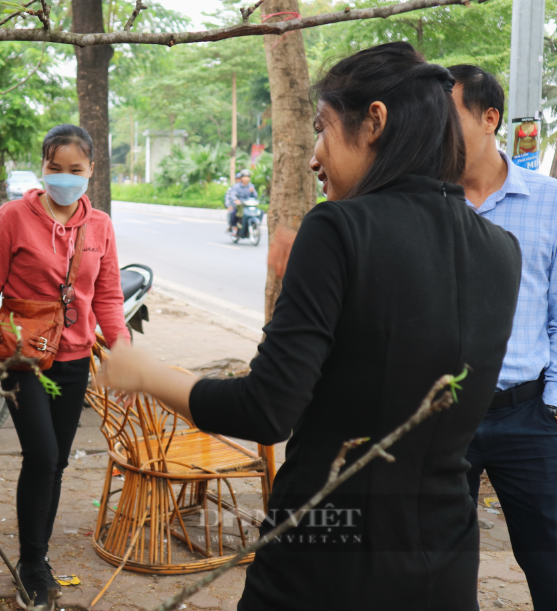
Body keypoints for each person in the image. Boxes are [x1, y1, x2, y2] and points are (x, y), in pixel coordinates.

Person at [99, 42, 521, 611]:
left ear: (375, 121)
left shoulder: (340, 228)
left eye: (322, 128)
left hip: (325, 558)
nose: (313, 155)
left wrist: (146, 373)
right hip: (443, 561)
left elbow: (266, 410)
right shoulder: (501, 249)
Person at [0, 124, 130, 610]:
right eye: (55, 169)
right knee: (41, 456)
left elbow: (107, 295)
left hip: (74, 357)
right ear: (43, 168)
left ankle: (36, 559)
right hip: (22, 357)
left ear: (91, 171)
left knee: (57, 462)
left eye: (75, 170)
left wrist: (121, 349)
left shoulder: (99, 225)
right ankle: (32, 564)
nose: (65, 178)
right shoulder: (13, 217)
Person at [447, 64, 557, 610]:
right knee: (439, 564)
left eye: (448, 119)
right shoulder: (427, 205)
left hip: (528, 415)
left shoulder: (549, 201)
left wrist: (552, 407)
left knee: (549, 559)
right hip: (441, 415)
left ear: (489, 118)